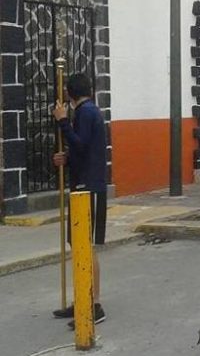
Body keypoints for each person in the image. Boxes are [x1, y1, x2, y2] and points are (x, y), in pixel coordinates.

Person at [51, 73, 108, 327]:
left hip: (90, 188)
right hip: (85, 185)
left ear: (69, 95)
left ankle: (94, 304)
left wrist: (63, 123)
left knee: (87, 245)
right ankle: (82, 298)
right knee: (78, 243)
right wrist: (67, 157)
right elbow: (82, 150)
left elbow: (82, 145)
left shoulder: (86, 113)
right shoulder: (89, 111)